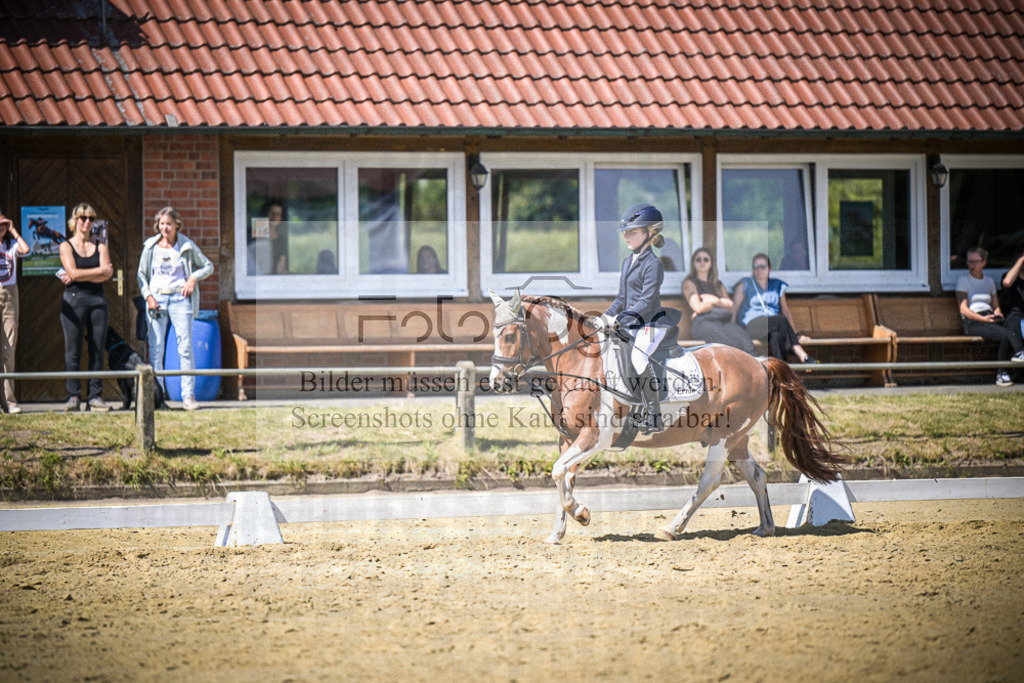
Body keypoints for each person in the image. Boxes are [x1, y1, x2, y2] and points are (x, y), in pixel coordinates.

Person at [594, 204, 681, 435]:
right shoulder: (627, 262)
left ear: (649, 234)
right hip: (632, 322)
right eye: (625, 232)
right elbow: (621, 298)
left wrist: (619, 320)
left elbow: (645, 302)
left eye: (632, 232)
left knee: (638, 358)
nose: (626, 236)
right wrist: (604, 317)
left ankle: (654, 415)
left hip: (652, 323)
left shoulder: (653, 265)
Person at [137, 207, 214, 410]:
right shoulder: (150, 247)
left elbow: (208, 266)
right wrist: (149, 297)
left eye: (169, 224)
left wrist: (193, 278)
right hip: (157, 299)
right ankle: (157, 396)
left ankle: (188, 396)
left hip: (181, 298)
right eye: (162, 223)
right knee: (156, 349)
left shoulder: (186, 245)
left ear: (176, 225)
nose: (165, 227)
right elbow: (141, 275)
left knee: (185, 348)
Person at [58, 203, 113, 412]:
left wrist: (80, 274)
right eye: (83, 218)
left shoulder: (101, 245)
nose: (87, 222)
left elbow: (107, 275)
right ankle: (74, 396)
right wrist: (98, 271)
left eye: (91, 218)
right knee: (73, 351)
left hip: (98, 300)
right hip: (73, 301)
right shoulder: (66, 246)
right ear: (75, 221)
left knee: (97, 350)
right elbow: (73, 273)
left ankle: (95, 397)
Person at [957, 247, 1024, 387]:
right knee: (1006, 335)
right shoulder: (963, 281)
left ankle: (1019, 355)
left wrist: (998, 314)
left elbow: (995, 306)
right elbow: (963, 309)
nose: (972, 265)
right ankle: (1002, 372)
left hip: (989, 317)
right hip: (973, 322)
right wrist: (983, 319)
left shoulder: (989, 281)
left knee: (1012, 323)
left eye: (975, 261)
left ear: (984, 262)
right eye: (969, 262)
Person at [732, 253, 816, 363]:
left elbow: (785, 311)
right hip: (752, 325)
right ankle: (801, 353)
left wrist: (793, 331)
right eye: (756, 267)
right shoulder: (745, 284)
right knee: (780, 320)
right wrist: (732, 332)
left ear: (769, 268)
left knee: (776, 336)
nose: (759, 270)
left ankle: (781, 371)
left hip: (772, 325)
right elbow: (734, 309)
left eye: (763, 266)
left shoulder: (777, 285)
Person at [682, 248, 755, 355]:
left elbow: (730, 306)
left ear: (711, 263)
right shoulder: (689, 283)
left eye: (706, 259)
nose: (702, 262)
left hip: (724, 321)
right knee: (730, 345)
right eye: (698, 260)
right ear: (693, 263)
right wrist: (720, 303)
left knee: (747, 343)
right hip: (703, 323)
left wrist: (714, 301)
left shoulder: (718, 285)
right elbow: (699, 308)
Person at [0, 208, 31, 414]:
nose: (1, 228)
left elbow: (26, 249)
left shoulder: (11, 245)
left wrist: (14, 231)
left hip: (10, 296)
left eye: (3, 224)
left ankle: (8, 402)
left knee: (8, 350)